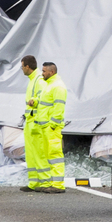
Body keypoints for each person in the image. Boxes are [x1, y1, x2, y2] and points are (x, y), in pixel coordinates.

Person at [37, 61, 68, 193]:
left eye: (44, 71)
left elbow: (59, 108)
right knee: (48, 155)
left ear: (51, 72)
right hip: (46, 127)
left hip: (52, 128)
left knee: (55, 155)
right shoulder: (49, 85)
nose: (42, 73)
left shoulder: (58, 87)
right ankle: (51, 182)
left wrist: (53, 125)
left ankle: (58, 184)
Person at [21, 55, 48, 193]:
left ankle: (44, 181)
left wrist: (35, 101)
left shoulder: (38, 79)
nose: (21, 69)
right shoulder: (33, 80)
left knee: (39, 153)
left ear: (27, 66)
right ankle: (34, 182)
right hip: (30, 122)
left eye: (22, 66)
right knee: (31, 154)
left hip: (35, 122)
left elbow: (44, 98)